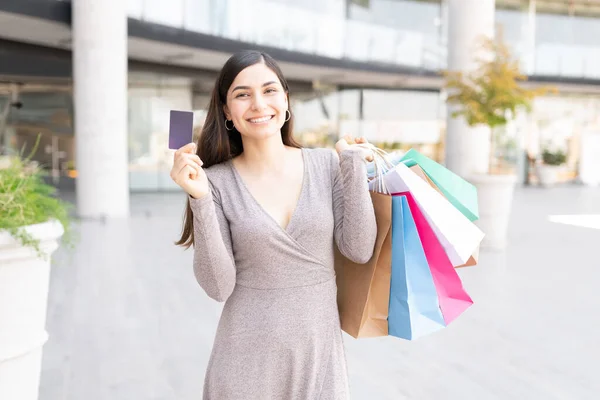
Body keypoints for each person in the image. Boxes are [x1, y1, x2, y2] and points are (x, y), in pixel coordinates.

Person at [170, 50, 377, 400]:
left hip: (318, 362)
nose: (258, 104)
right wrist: (200, 199)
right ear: (226, 112)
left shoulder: (326, 163)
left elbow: (358, 249)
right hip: (243, 366)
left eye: (269, 90)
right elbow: (219, 286)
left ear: (285, 99)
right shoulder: (215, 182)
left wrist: (352, 164)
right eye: (242, 94)